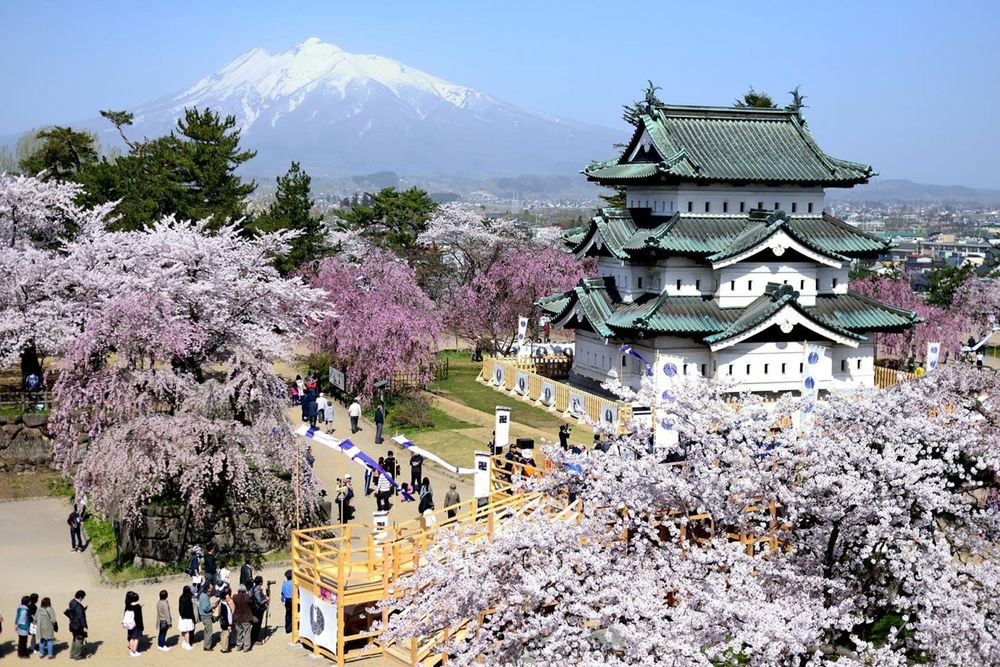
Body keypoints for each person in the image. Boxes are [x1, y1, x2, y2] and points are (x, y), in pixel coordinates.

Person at [66, 590, 88, 660]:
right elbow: (81, 617)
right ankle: (77, 655)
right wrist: (84, 626)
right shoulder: (78, 606)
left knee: (75, 638)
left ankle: (72, 654)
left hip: (72, 624)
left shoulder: (72, 602)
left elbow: (75, 613)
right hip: (78, 625)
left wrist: (83, 609)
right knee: (79, 639)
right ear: (81, 597)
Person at [122, 590, 144, 657]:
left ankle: (131, 650)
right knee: (136, 638)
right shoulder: (137, 606)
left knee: (131, 638)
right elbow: (139, 618)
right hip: (136, 625)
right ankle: (134, 651)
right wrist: (141, 627)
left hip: (129, 625)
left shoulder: (128, 606)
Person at [198, 582, 219, 651]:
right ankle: (207, 647)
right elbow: (206, 608)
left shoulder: (203, 595)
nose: (212, 588)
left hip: (204, 616)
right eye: (211, 587)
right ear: (207, 588)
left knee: (206, 631)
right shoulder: (204, 596)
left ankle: (206, 645)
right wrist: (213, 605)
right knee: (209, 631)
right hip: (206, 616)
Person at [233, 585, 253, 652]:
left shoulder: (235, 597)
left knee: (239, 632)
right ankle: (246, 647)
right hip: (245, 618)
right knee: (247, 632)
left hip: (237, 618)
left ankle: (239, 645)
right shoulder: (247, 598)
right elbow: (251, 602)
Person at [249, 576, 269, 645]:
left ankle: (254, 638)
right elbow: (260, 602)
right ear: (260, 582)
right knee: (257, 625)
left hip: (255, 609)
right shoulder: (257, 591)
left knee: (256, 625)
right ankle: (254, 639)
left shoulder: (253, 589)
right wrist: (266, 599)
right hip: (257, 610)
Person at [177, 585, 195, 650]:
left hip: (182, 616)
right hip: (188, 617)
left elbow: (180, 608)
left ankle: (184, 642)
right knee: (187, 631)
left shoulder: (181, 597)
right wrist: (192, 617)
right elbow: (190, 609)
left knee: (183, 630)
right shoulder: (188, 598)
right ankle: (187, 644)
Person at [218, 586, 235, 653]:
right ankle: (224, 649)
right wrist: (228, 625)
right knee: (226, 636)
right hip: (225, 623)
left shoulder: (223, 603)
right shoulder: (224, 606)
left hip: (223, 623)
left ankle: (224, 647)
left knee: (224, 635)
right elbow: (226, 616)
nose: (229, 597)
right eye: (227, 596)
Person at [280, 569, 294, 634]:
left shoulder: (284, 584)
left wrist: (283, 601)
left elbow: (282, 594)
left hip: (287, 601)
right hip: (293, 600)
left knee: (288, 614)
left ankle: (288, 629)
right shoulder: (294, 583)